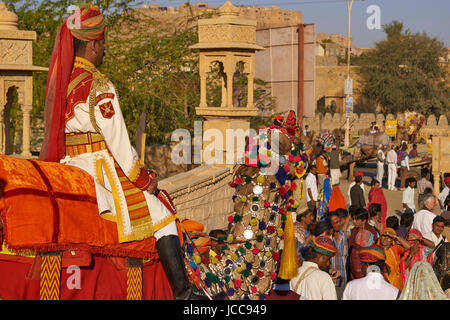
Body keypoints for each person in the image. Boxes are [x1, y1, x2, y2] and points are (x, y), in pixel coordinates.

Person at [38, 4, 206, 300]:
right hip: (99, 169)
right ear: (92, 44)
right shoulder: (99, 85)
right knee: (162, 216)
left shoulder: (62, 82)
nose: (105, 51)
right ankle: (183, 295)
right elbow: (118, 144)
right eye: (103, 45)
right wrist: (144, 181)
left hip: (69, 167)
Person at [329, 210, 350, 298]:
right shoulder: (328, 239)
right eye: (335, 223)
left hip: (344, 278)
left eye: (339, 221)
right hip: (332, 280)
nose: (338, 224)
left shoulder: (344, 235)